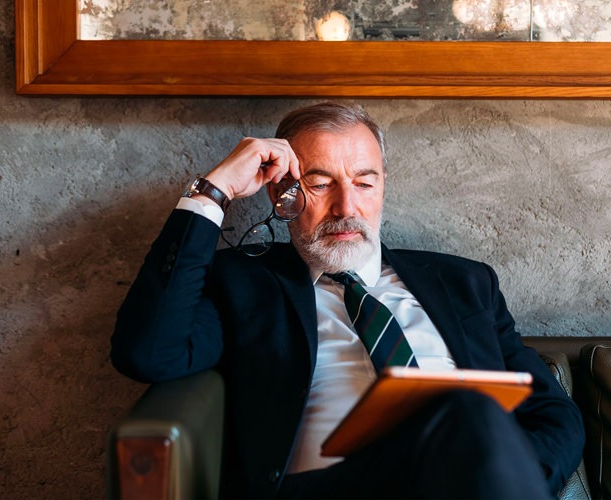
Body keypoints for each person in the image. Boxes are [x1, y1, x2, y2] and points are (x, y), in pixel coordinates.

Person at [111, 102, 584, 499]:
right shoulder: (244, 283)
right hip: (329, 488)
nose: (346, 207)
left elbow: (555, 415)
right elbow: (148, 352)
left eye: (364, 181)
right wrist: (214, 192)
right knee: (464, 408)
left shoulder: (465, 283)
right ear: (283, 191)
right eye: (320, 183)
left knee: (467, 418)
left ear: (382, 185)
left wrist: (498, 481)